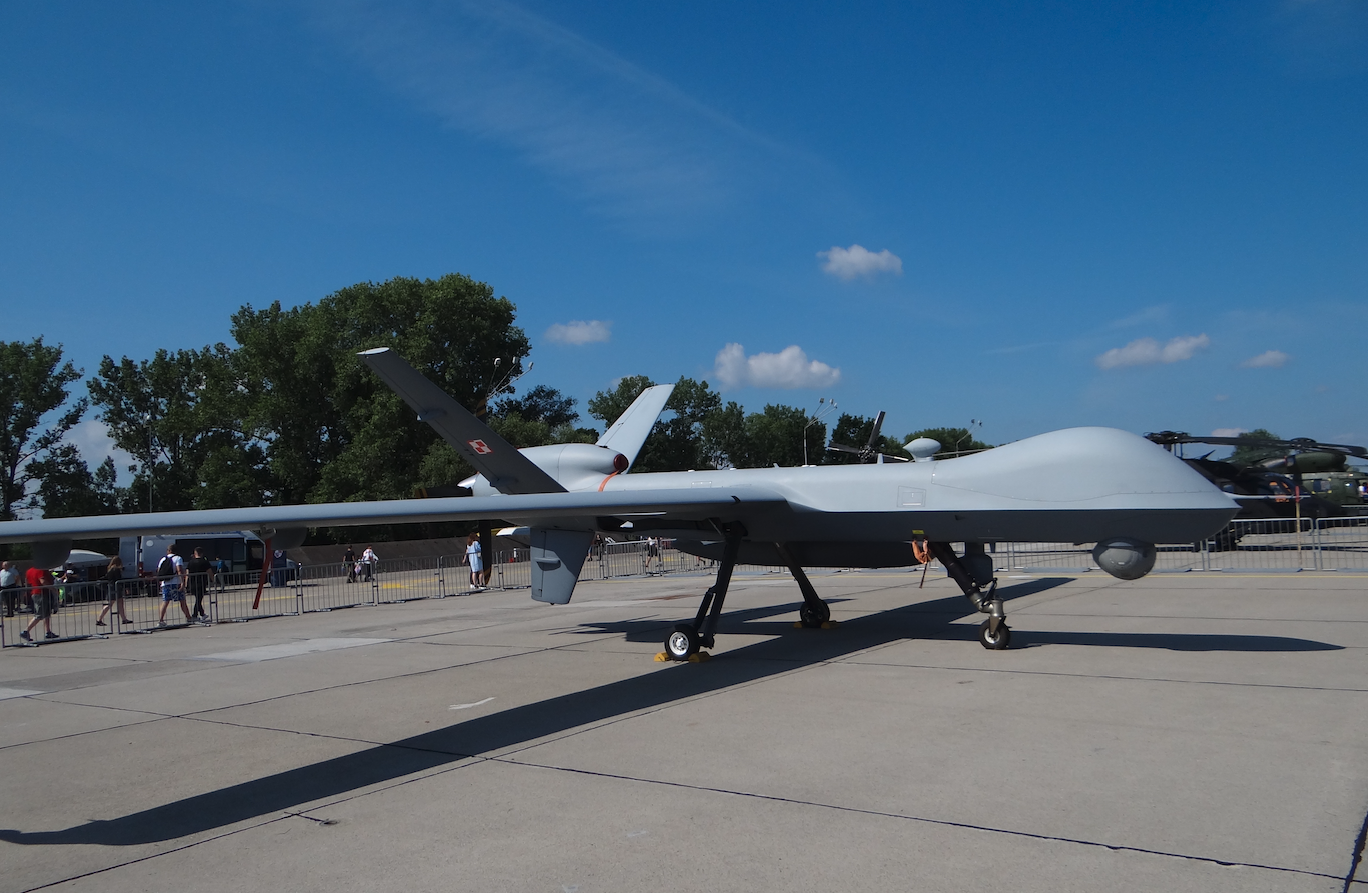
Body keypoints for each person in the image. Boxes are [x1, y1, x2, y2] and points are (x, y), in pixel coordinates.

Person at [20, 565, 58, 642]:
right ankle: (26, 631)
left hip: (36, 592)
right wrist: (53, 589)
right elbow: (43, 581)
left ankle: (48, 631)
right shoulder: (41, 570)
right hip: (41, 593)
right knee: (40, 614)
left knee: (47, 613)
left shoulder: (29, 571)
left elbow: (27, 582)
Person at [156, 545, 191, 627]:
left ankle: (161, 620)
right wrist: (182, 582)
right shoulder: (178, 558)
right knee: (182, 601)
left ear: (169, 550)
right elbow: (179, 570)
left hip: (165, 583)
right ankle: (189, 618)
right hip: (176, 582)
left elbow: (158, 571)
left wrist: (161, 582)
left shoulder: (163, 559)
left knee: (165, 602)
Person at [95, 556, 132, 627]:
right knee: (110, 604)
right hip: (115, 588)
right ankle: (99, 620)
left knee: (119, 603)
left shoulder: (110, 569)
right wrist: (125, 587)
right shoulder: (116, 569)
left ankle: (124, 619)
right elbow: (119, 580)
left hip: (111, 587)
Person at [186, 548, 212, 622]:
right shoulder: (205, 562)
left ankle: (202, 614)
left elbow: (187, 574)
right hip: (201, 583)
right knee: (198, 600)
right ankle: (194, 615)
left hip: (192, 583)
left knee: (198, 599)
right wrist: (214, 580)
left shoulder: (190, 562)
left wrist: (185, 584)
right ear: (202, 553)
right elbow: (210, 572)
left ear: (195, 553)